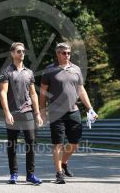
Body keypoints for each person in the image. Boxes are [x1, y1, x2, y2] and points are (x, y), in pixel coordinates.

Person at [40, 42, 97, 184]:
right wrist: (42, 111)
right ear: (57, 54)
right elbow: (42, 93)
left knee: (75, 142)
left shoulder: (76, 69)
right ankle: (59, 173)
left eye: (69, 53)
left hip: (73, 111)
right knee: (58, 143)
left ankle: (63, 163)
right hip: (55, 112)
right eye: (64, 53)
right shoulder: (49, 70)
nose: (67, 55)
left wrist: (90, 108)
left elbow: (81, 90)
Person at [0, 42, 43, 185]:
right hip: (12, 113)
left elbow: (33, 94)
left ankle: (30, 174)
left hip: (27, 111)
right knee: (12, 144)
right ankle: (14, 174)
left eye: (23, 51)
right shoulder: (6, 72)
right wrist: (7, 112)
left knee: (31, 142)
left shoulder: (29, 72)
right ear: (12, 53)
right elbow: (3, 93)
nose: (22, 53)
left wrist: (37, 113)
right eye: (19, 51)